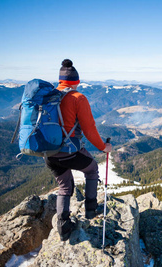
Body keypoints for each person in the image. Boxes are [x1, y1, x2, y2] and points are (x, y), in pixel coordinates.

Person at [44, 59, 112, 241]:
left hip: (48, 153)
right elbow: (89, 129)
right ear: (76, 81)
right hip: (69, 152)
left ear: (60, 80)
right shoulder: (78, 98)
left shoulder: (48, 97)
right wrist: (103, 147)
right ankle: (91, 210)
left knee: (64, 186)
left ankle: (63, 226)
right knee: (91, 169)